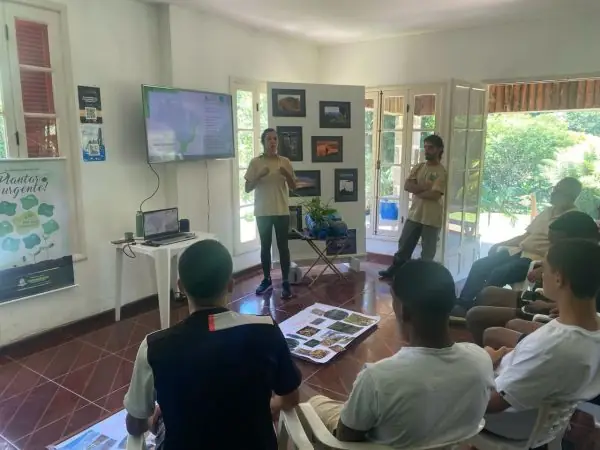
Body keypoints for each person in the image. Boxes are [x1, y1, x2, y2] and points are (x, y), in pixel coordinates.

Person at [123, 240, 301, 450]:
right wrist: (268, 406)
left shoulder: (154, 347)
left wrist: (150, 420)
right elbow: (290, 397)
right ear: (230, 284)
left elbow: (134, 425)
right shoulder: (266, 330)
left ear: (180, 287)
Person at [308, 260, 494, 448]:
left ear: (403, 310)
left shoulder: (377, 379)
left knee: (313, 405)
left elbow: (346, 438)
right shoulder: (481, 361)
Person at [483, 239, 600, 440]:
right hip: (546, 419)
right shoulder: (590, 329)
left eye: (544, 269)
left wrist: (483, 364)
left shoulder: (553, 345)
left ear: (559, 279)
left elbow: (493, 404)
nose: (541, 275)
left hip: (512, 423)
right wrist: (508, 355)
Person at [464, 210, 600, 344]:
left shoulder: (589, 265)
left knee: (479, 318)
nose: (552, 247)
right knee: (488, 294)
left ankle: (491, 352)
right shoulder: (580, 256)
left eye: (556, 244)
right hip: (553, 304)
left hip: (555, 312)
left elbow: (586, 308)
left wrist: (549, 305)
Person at [453, 177, 582, 316]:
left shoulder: (574, 219)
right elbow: (525, 236)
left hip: (535, 259)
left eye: (558, 190)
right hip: (518, 251)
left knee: (498, 273)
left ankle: (476, 309)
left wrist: (544, 267)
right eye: (554, 188)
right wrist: (501, 244)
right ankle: (464, 303)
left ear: (570, 196)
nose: (553, 192)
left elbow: (566, 251)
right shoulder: (548, 211)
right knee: (480, 265)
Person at [379, 135, 447, 279]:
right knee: (404, 244)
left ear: (439, 149)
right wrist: (425, 189)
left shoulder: (441, 172)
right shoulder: (419, 167)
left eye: (431, 148)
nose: (427, 150)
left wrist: (416, 189)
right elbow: (406, 186)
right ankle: (396, 272)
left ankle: (422, 279)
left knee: (428, 252)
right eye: (426, 147)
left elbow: (435, 195)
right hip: (415, 214)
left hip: (432, 217)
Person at [245, 128, 296, 299]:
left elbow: (294, 186)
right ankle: (266, 279)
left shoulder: (285, 161)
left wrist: (287, 174)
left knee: (283, 248)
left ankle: (286, 282)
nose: (272, 142)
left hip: (281, 211)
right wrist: (258, 175)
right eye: (269, 139)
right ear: (263, 142)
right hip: (263, 212)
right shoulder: (255, 162)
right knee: (265, 247)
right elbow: (247, 188)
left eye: (275, 139)